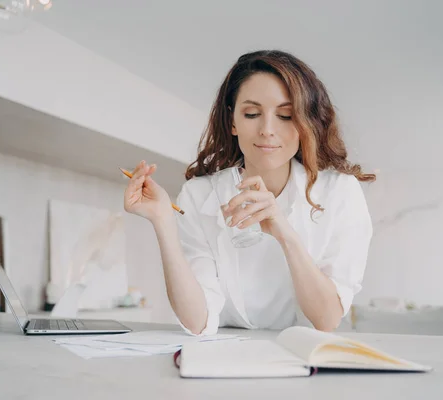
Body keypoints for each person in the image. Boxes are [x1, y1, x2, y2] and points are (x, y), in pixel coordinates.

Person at [123, 50, 375, 335]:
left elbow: (327, 319)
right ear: (233, 121)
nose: (267, 130)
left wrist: (283, 231)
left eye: (285, 115)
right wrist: (163, 222)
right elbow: (197, 320)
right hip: (227, 357)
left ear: (306, 123)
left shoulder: (339, 192)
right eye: (252, 114)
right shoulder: (198, 194)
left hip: (304, 356)